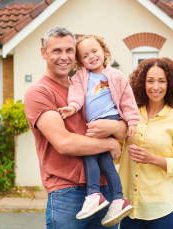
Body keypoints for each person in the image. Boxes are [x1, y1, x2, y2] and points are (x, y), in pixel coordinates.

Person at [24, 27, 127, 229]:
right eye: (57, 51)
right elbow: (64, 143)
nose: (64, 57)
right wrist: (109, 143)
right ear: (43, 53)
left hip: (104, 190)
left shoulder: (87, 85)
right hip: (67, 193)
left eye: (69, 51)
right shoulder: (39, 92)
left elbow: (125, 128)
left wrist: (113, 125)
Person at [57, 35, 139, 225]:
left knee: (89, 154)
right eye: (85, 55)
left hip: (110, 119)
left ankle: (94, 194)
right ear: (80, 61)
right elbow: (76, 95)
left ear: (104, 51)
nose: (92, 56)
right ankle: (117, 198)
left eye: (95, 51)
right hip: (93, 122)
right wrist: (72, 107)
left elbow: (128, 101)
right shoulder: (79, 77)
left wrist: (132, 121)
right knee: (102, 158)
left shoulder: (116, 76)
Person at [119, 57, 173, 229]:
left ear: (170, 84)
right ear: (141, 84)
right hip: (129, 209)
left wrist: (152, 158)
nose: (155, 87)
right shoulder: (130, 115)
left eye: (161, 81)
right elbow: (117, 155)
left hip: (163, 212)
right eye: (150, 81)